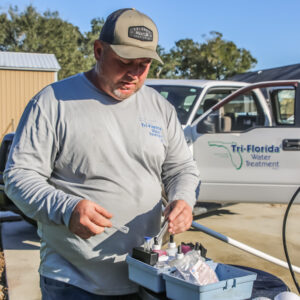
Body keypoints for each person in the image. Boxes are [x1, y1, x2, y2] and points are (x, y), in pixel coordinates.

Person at [4, 8, 200, 300]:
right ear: (98, 50)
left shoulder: (160, 108)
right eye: (124, 62)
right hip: (74, 282)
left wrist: (183, 198)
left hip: (146, 277)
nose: (134, 74)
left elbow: (181, 168)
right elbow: (18, 177)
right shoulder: (53, 102)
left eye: (144, 64)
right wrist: (67, 208)